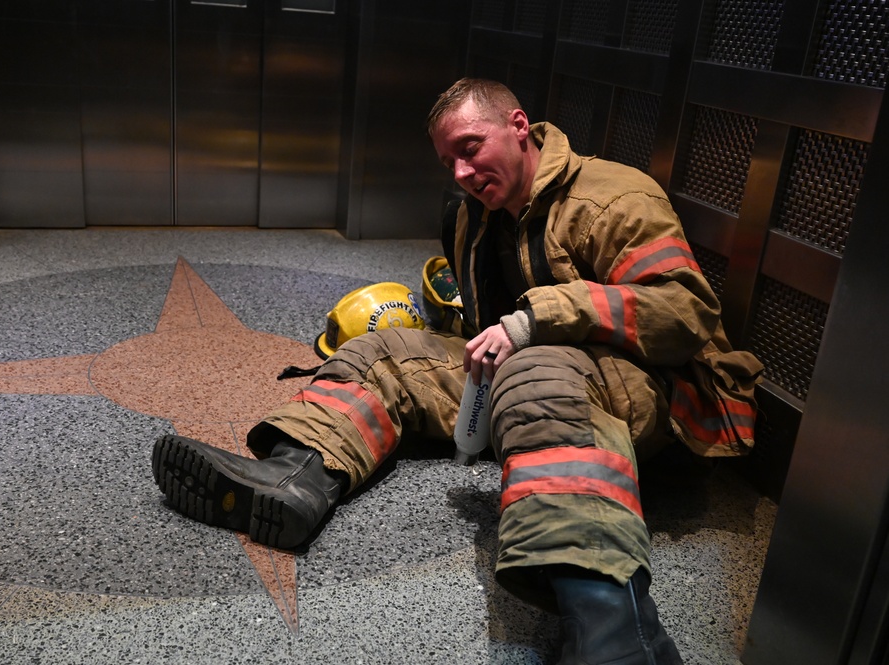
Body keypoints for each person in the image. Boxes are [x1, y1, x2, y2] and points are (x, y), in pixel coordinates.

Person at [151, 78, 762, 664]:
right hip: (529, 376)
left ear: (518, 127)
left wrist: (536, 319)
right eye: (450, 162)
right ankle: (295, 478)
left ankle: (615, 629)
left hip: (645, 387)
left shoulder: (613, 196)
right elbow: (481, 326)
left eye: (470, 150)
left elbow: (685, 312)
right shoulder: (477, 214)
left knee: (536, 376)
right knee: (382, 352)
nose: (463, 173)